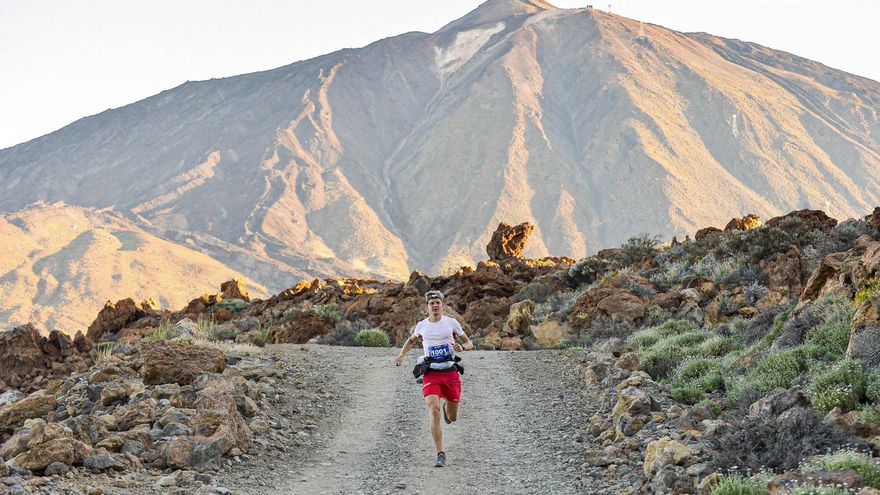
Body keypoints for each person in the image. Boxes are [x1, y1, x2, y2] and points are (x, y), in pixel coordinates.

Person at [394, 289, 473, 467]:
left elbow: (469, 343)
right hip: (431, 373)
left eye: (438, 303)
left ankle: (448, 409)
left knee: (452, 417)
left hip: (450, 373)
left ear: (442, 306)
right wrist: (401, 356)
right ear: (427, 307)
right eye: (432, 303)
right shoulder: (422, 325)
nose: (435, 305)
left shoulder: (451, 323)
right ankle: (440, 453)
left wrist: (463, 347)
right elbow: (411, 340)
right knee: (434, 411)